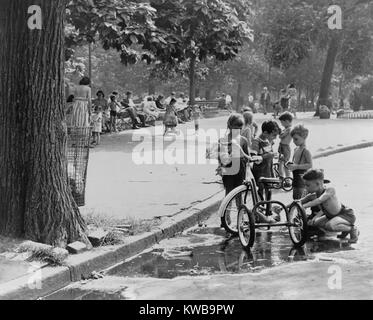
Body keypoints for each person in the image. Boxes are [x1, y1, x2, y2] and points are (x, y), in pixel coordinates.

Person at [299, 169, 359, 243]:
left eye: (308, 185)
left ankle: (352, 229)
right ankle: (344, 229)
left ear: (318, 183)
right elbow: (299, 202)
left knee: (330, 226)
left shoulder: (330, 190)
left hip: (346, 215)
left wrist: (305, 206)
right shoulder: (313, 195)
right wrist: (284, 207)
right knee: (316, 223)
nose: (305, 188)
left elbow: (320, 200)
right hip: (332, 216)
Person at [251, 120, 280, 198]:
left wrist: (273, 155)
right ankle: (260, 205)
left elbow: (270, 151)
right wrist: (268, 155)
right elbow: (253, 157)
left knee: (269, 189)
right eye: (273, 135)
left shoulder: (269, 140)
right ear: (265, 133)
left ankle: (268, 206)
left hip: (268, 169)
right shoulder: (256, 141)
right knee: (260, 190)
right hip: (260, 171)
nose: (275, 138)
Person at [287, 124, 313, 199]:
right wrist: (290, 164)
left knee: (301, 200)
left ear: (304, 137)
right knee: (295, 197)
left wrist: (296, 166)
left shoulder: (306, 151)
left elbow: (310, 165)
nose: (294, 141)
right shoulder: (296, 149)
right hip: (295, 179)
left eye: (296, 139)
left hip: (302, 181)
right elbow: (296, 163)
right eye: (293, 139)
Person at [278, 112, 293, 183]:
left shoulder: (289, 129)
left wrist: (281, 133)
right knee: (280, 163)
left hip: (285, 148)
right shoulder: (286, 129)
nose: (281, 124)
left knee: (285, 164)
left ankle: (287, 180)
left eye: (282, 122)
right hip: (282, 147)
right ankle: (282, 178)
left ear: (286, 121)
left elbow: (281, 136)